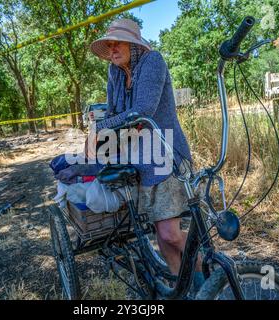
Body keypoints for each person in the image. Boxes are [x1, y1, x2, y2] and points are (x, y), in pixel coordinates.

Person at [88, 19, 204, 289]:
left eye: (118, 42)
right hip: (140, 159)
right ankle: (184, 290)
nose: (113, 48)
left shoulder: (152, 62)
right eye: (109, 44)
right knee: (162, 239)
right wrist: (103, 127)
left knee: (170, 234)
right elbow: (117, 112)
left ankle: (213, 271)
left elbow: (142, 111)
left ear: (133, 43)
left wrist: (100, 127)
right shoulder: (115, 72)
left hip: (165, 155)